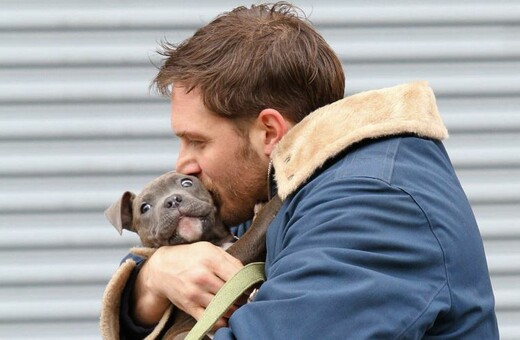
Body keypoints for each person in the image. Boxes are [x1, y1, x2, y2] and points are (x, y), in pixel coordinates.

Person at [101, 2, 499, 339]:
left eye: (197, 141)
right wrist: (154, 276)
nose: (183, 164)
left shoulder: (373, 205)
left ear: (269, 132)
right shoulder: (280, 192)